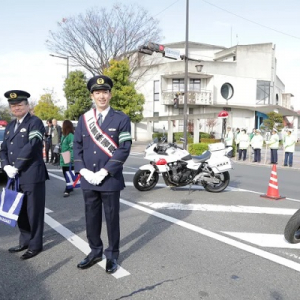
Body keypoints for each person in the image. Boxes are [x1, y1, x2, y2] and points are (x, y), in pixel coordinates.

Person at [73, 75, 132, 273]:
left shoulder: (122, 118)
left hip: (110, 179)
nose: (101, 96)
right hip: (89, 178)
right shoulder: (84, 119)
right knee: (91, 217)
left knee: (112, 218)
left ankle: (112, 254)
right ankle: (95, 251)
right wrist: (82, 169)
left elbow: (124, 148)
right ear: (92, 96)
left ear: (110, 94)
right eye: (97, 93)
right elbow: (77, 145)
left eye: (104, 92)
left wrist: (106, 171)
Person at [0, 90, 49, 259]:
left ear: (27, 106)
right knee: (20, 210)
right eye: (13, 106)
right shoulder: (10, 126)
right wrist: (6, 166)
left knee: (34, 211)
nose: (16, 108)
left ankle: (35, 245)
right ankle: (25, 241)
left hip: (31, 174)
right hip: (14, 176)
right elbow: (4, 149)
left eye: (20, 105)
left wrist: (17, 166)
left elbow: (33, 145)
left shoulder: (35, 122)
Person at [60, 120, 74, 197]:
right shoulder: (64, 135)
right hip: (64, 155)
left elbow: (73, 148)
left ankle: (68, 189)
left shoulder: (70, 135)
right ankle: (70, 186)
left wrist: (71, 158)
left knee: (67, 173)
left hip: (68, 156)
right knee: (65, 173)